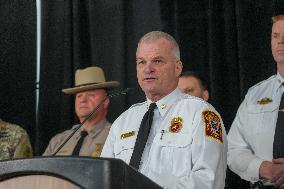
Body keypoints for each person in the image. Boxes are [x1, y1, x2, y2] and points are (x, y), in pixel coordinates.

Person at [101, 31, 227, 188]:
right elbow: (104, 179)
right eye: (141, 62)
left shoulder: (201, 114)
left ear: (177, 68)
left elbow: (209, 180)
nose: (148, 69)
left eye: (157, 61)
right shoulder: (122, 122)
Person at [227, 6, 284, 188]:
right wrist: (263, 168)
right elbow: (232, 149)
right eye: (275, 36)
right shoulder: (255, 95)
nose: (280, 42)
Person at [43, 66, 119, 157]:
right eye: (79, 96)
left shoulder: (116, 137)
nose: (82, 100)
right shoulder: (59, 141)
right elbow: (40, 170)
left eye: (91, 95)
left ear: (105, 102)